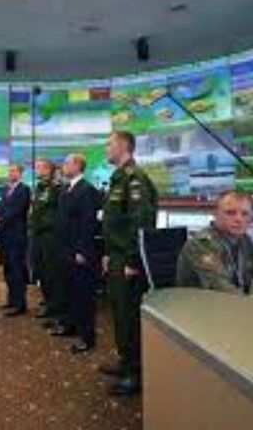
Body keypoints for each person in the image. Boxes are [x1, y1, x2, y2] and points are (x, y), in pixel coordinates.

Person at [99, 130, 158, 396]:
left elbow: (141, 222)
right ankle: (126, 361)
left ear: (123, 146)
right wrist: (108, 253)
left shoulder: (135, 179)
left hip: (128, 259)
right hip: (117, 255)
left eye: (109, 144)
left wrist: (133, 260)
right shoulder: (119, 177)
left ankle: (136, 373)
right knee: (119, 312)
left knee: (129, 315)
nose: (105, 148)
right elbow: (115, 222)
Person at [176, 191, 253, 303]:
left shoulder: (243, 239)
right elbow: (223, 292)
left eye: (245, 214)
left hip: (234, 308)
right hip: (201, 310)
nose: (239, 219)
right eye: (230, 213)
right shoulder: (202, 244)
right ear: (215, 214)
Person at [51, 154, 99, 354]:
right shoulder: (66, 188)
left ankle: (87, 337)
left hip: (78, 251)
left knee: (83, 295)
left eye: (66, 163)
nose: (62, 166)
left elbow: (88, 223)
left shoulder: (87, 190)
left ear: (78, 165)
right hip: (64, 249)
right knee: (68, 291)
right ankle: (70, 325)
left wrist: (82, 250)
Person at [0, 164, 31, 316]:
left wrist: (0, 220)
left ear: (20, 173)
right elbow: (0, 207)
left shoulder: (24, 190)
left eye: (13, 171)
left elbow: (16, 211)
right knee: (8, 270)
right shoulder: (6, 189)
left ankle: (20, 304)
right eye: (9, 171)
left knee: (17, 270)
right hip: (4, 236)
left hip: (17, 237)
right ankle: (12, 300)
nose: (10, 173)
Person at [28, 159, 62, 322]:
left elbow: (56, 214)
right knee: (41, 271)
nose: (36, 170)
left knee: (51, 274)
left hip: (50, 237)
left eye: (39, 168)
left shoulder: (56, 188)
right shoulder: (39, 187)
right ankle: (48, 303)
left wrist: (42, 224)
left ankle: (55, 308)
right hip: (37, 235)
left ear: (48, 170)